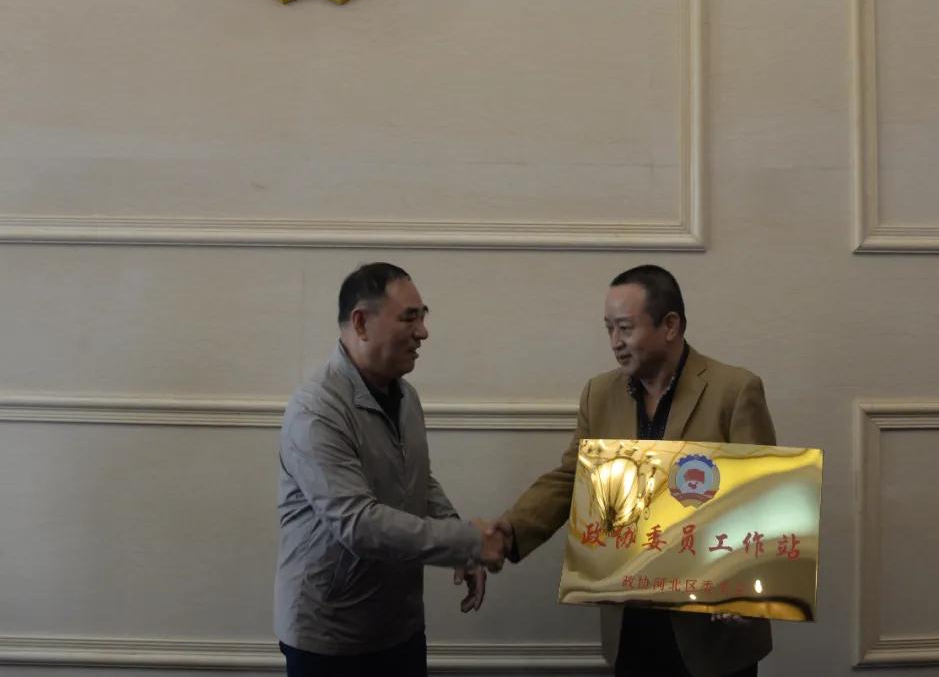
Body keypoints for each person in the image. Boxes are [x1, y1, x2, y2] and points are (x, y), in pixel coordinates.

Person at [491, 265, 776, 677]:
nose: (615, 342)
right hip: (631, 620)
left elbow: (762, 496)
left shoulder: (734, 390)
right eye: (608, 328)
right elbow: (571, 478)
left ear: (670, 325)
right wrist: (509, 530)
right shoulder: (599, 393)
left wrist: (747, 587)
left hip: (712, 632)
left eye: (625, 328)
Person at [274, 262, 506, 677]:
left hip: (399, 629)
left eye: (422, 317)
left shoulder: (406, 397)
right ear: (361, 323)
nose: (423, 332)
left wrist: (459, 539)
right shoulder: (316, 409)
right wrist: (467, 541)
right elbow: (358, 524)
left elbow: (417, 479)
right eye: (409, 318)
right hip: (330, 641)